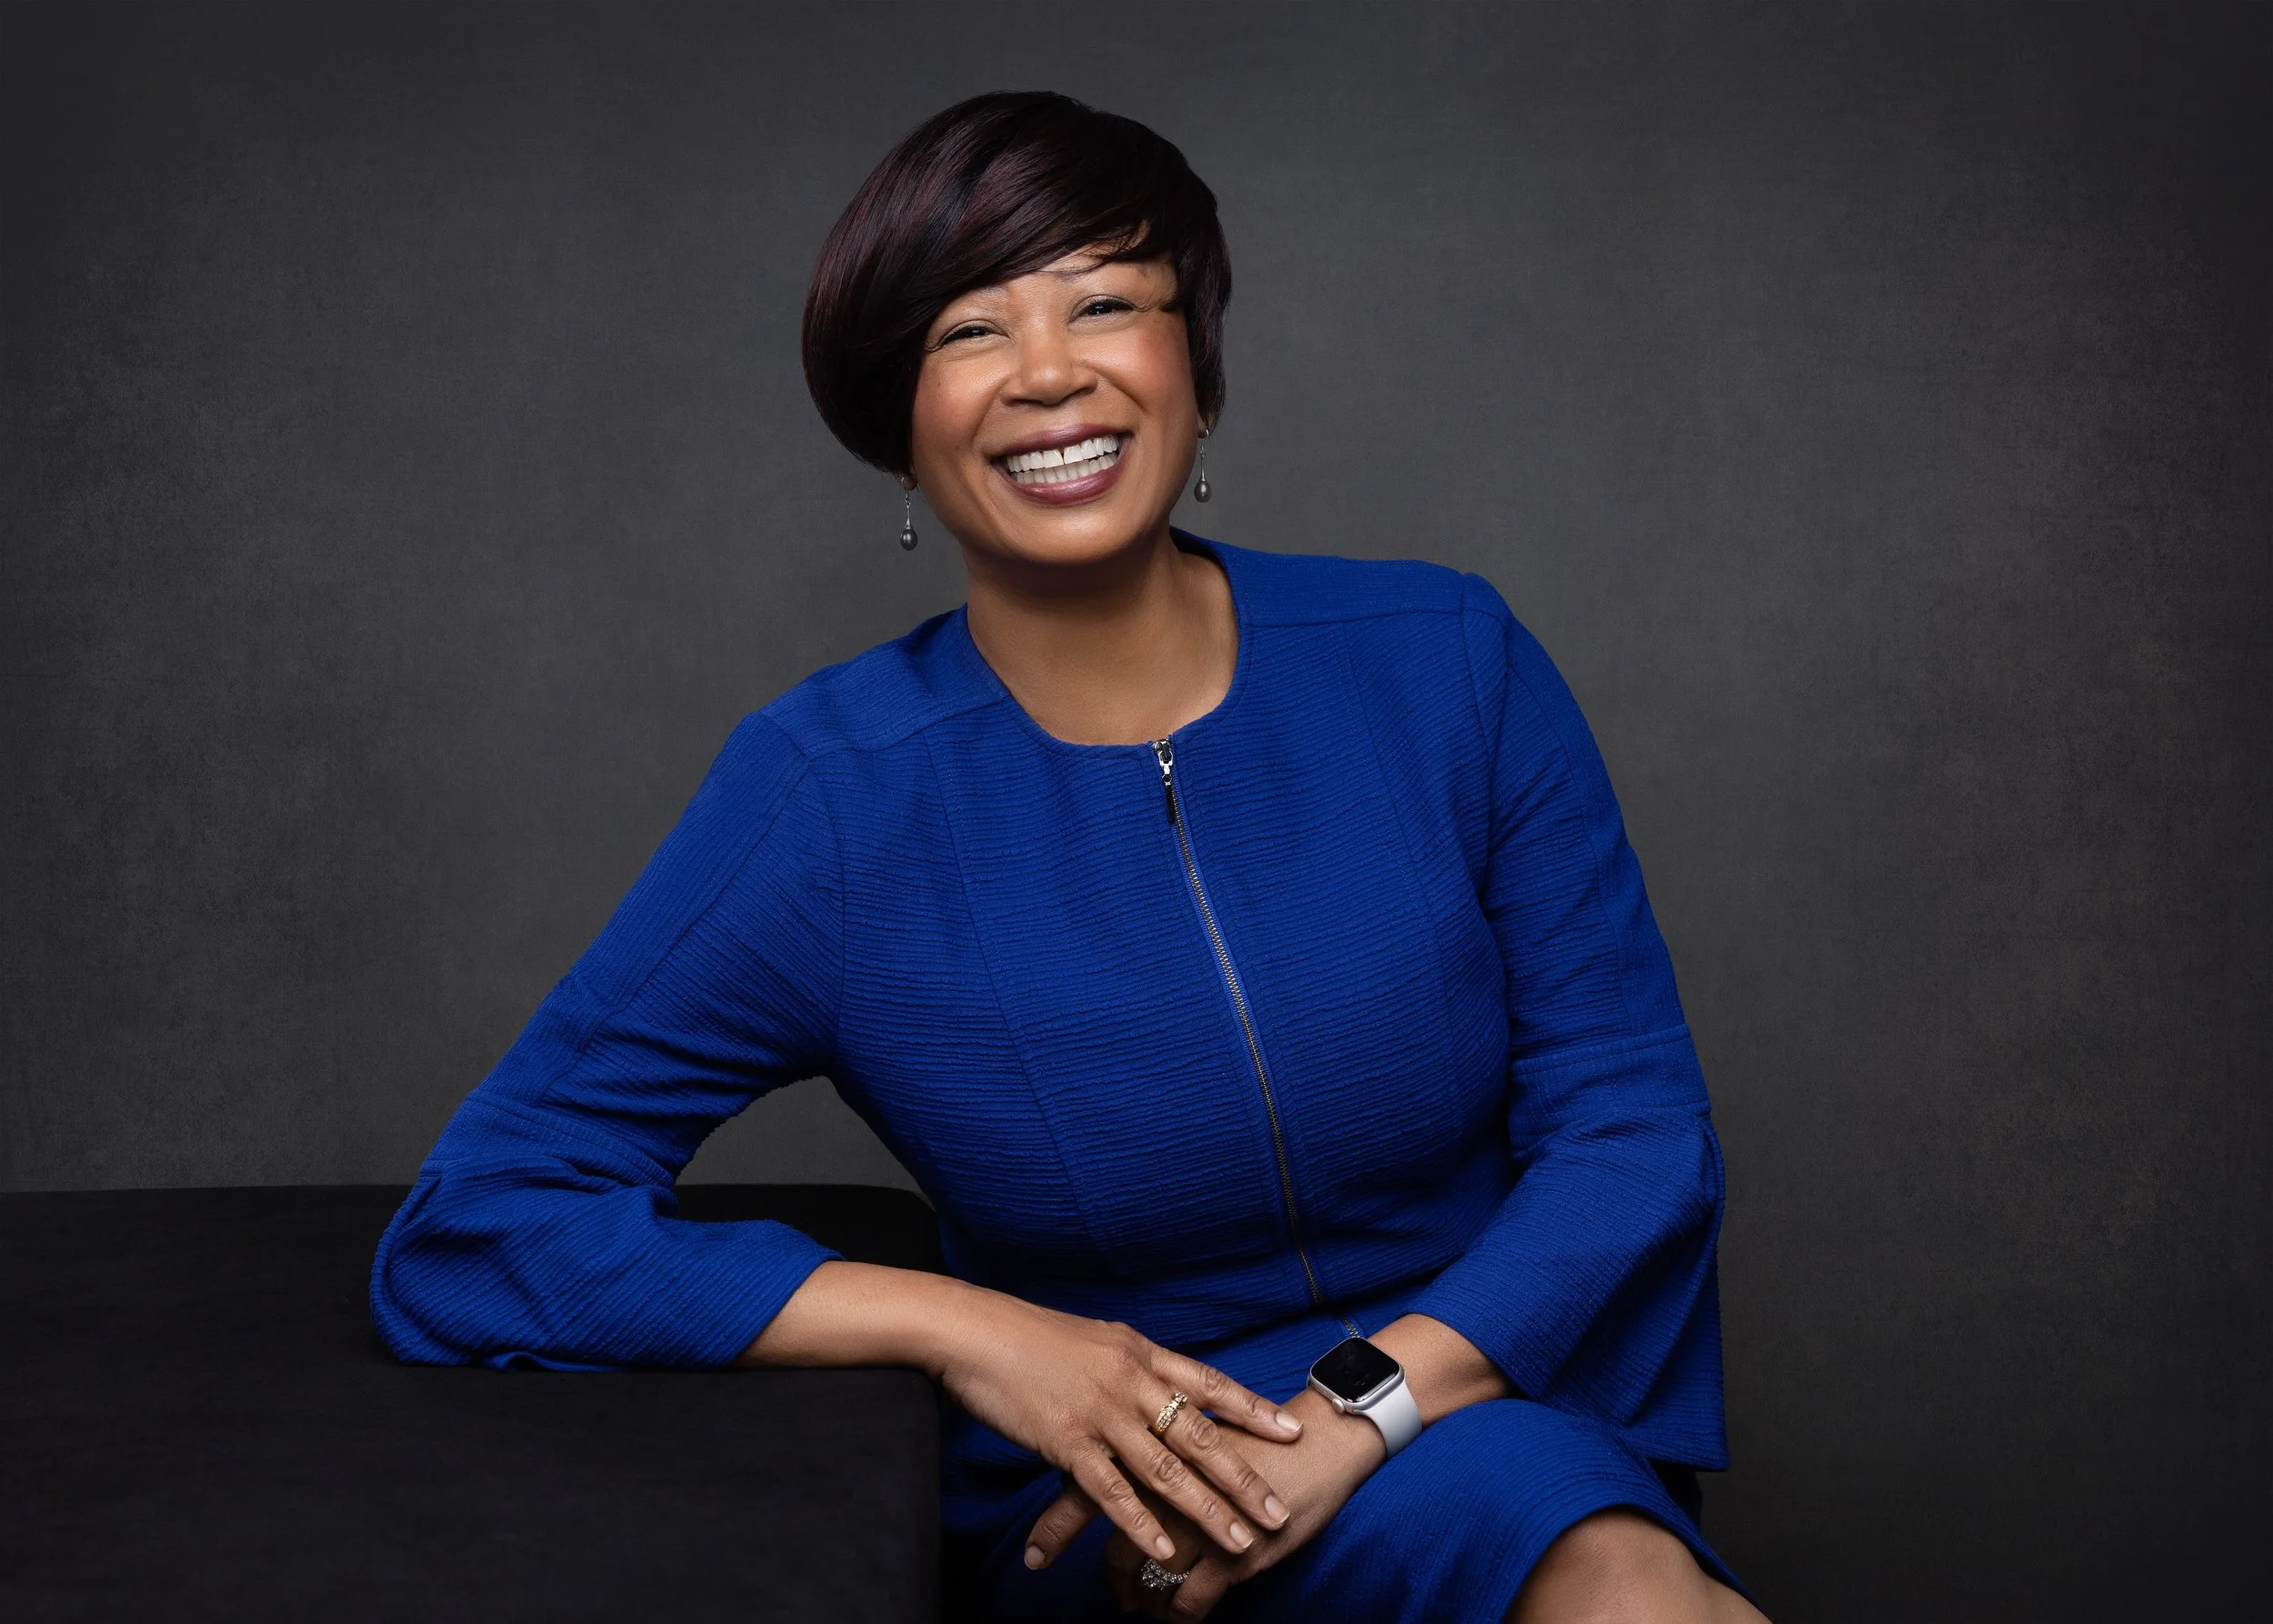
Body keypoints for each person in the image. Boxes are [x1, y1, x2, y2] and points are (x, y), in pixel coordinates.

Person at [371, 91, 1767, 1623]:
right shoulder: (831, 795)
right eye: (970, 330)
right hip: (1118, 1484)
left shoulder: (1448, 660)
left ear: (1197, 369)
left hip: (1479, 1391)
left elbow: (1633, 1131)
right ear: (900, 425)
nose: (1048, 371)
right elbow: (485, 1220)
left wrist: (1365, 1405)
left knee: (1607, 1566)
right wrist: (970, 1330)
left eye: (1105, 303)